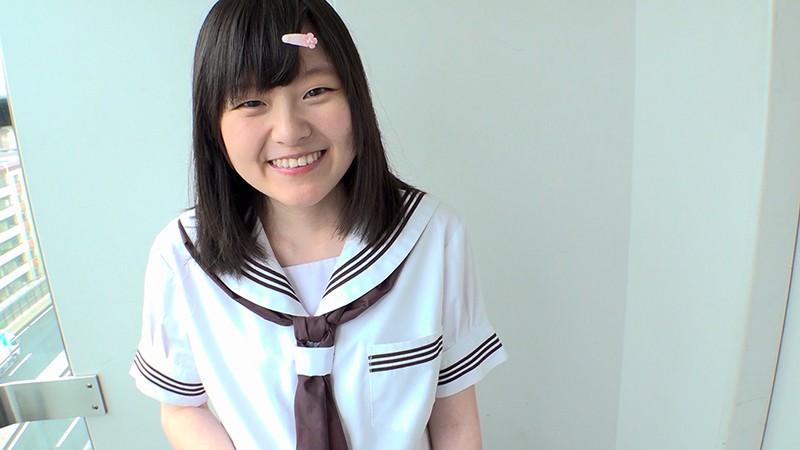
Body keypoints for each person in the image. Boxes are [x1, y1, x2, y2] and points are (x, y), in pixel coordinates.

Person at [129, 0, 507, 448]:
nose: (290, 131)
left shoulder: (432, 236)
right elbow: (180, 406)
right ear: (213, 125)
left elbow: (455, 423)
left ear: (355, 97)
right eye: (251, 102)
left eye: (315, 91)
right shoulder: (183, 256)